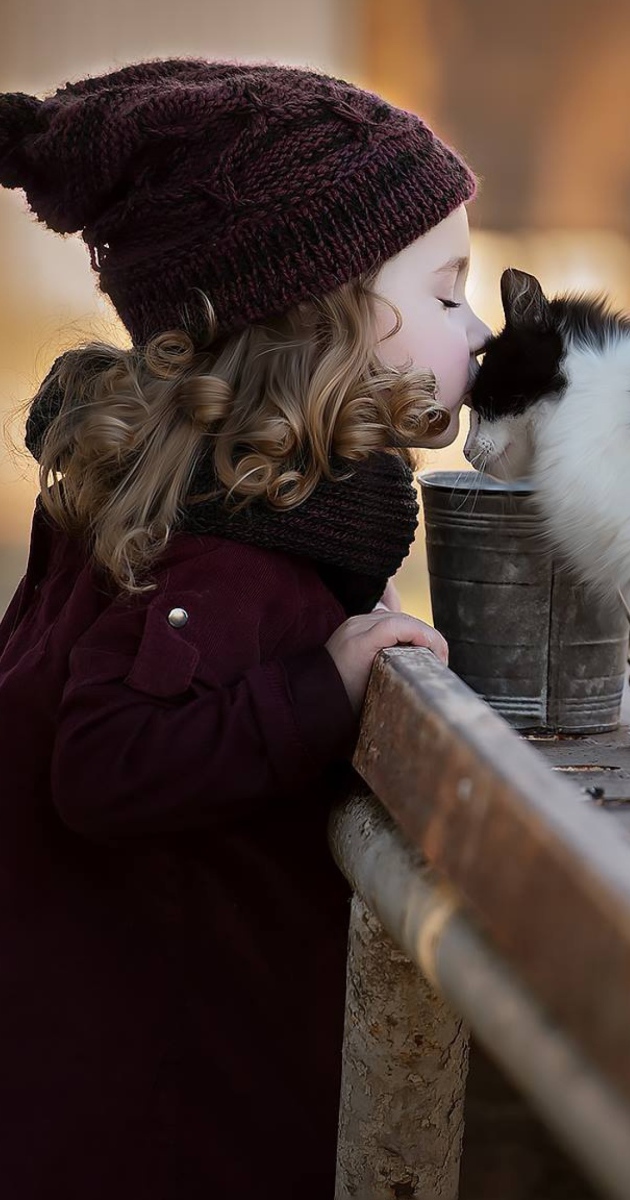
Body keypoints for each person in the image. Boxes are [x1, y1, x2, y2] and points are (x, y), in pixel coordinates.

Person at [0, 58, 493, 1198]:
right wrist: (324, 685)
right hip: (162, 1098)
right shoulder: (226, 548)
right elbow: (107, 762)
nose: (477, 329)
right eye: (446, 294)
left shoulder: (203, 505)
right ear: (319, 320)